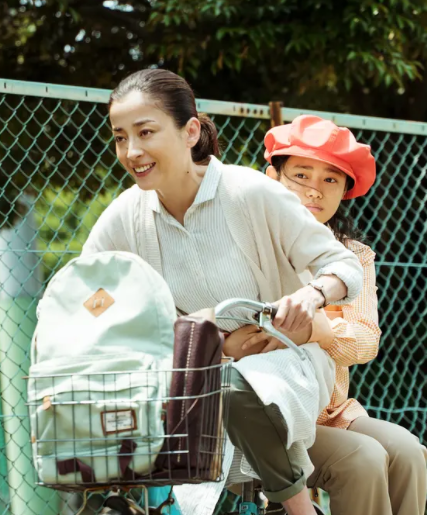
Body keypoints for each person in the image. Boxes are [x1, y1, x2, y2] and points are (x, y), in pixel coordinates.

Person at [81, 69, 363, 515]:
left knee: (231, 387)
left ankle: (297, 510)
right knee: (215, 385)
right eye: (120, 137)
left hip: (288, 359)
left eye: (146, 132)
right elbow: (87, 302)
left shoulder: (249, 191)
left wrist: (310, 297)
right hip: (194, 368)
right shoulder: (124, 218)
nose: (132, 152)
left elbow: (344, 266)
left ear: (190, 131)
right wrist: (206, 335)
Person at [235, 114, 427, 515]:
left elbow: (366, 342)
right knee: (362, 459)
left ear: (344, 192)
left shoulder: (353, 256)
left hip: (333, 411)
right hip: (273, 414)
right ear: (272, 177)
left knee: (408, 450)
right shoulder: (247, 244)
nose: (314, 191)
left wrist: (319, 331)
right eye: (301, 174)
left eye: (330, 180)